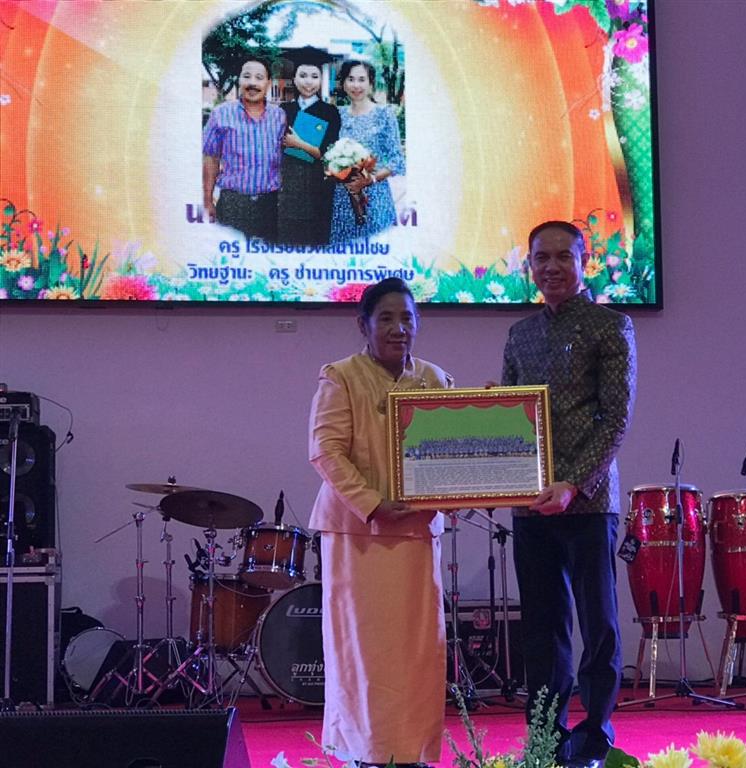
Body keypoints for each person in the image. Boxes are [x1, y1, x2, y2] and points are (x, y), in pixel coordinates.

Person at [500, 221, 637, 768]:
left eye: (563, 256)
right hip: (531, 504)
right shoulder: (520, 334)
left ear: (585, 262)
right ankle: (544, 739)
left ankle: (595, 737)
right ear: (529, 265)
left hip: (589, 503)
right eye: (542, 258)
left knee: (598, 626)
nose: (551, 267)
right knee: (541, 630)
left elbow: (616, 419)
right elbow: (509, 414)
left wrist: (574, 482)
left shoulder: (612, 326)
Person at [308, 278, 451, 766]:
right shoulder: (341, 376)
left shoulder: (435, 379)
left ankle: (412, 753)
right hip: (358, 536)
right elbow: (326, 452)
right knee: (363, 653)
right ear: (363, 325)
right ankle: (364, 753)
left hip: (415, 534)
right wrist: (372, 503)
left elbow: (453, 456)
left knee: (417, 654)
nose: (398, 328)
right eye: (386, 318)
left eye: (407, 318)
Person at [202, 58, 287, 242]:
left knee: (266, 256)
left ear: (268, 83)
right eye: (247, 76)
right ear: (239, 80)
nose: (252, 83)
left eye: (259, 78)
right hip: (233, 204)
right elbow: (211, 158)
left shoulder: (279, 116)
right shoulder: (221, 114)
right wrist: (207, 201)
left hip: (269, 205)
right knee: (232, 256)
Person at [329, 60, 405, 244]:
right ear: (343, 83)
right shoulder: (337, 114)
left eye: (362, 79)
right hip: (342, 198)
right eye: (351, 79)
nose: (356, 85)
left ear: (370, 83)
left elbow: (397, 160)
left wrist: (370, 179)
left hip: (375, 196)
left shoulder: (384, 114)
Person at [278, 50, 341, 245]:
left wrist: (298, 143)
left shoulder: (330, 112)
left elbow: (329, 154)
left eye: (314, 76)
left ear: (321, 80)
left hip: (318, 188)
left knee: (316, 241)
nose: (308, 82)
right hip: (289, 189)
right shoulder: (284, 110)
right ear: (294, 79)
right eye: (303, 75)